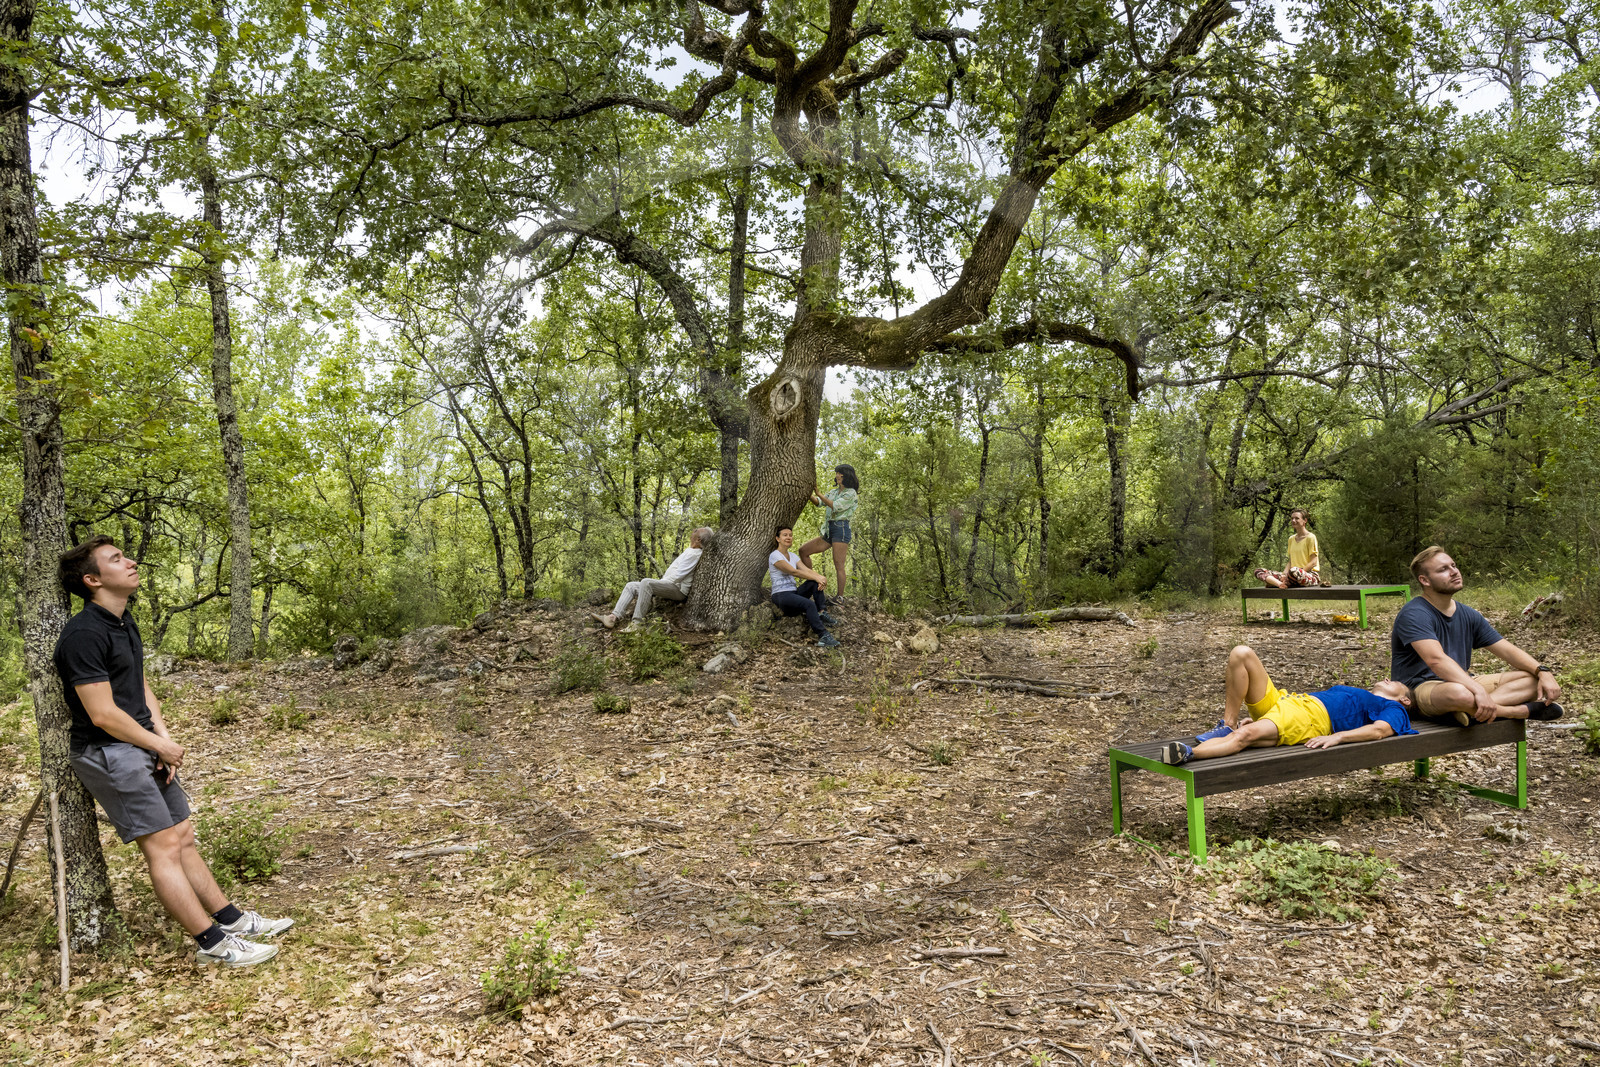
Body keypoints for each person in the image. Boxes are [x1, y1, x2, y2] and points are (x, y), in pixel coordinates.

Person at [53, 536, 293, 967]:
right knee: (163, 846)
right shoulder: (83, 634)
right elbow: (103, 712)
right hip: (109, 752)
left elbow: (138, 686)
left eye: (124, 555)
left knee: (182, 836)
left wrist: (161, 739)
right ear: (92, 580)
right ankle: (213, 945)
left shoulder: (123, 621)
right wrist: (155, 743)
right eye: (116, 559)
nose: (130, 562)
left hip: (142, 744)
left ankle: (232, 920)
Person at [1390, 546, 1563, 727]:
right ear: (1424, 580)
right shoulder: (1415, 613)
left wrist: (1542, 671)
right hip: (1419, 690)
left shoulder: (1467, 614)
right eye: (1443, 569)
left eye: (1453, 565)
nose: (1454, 572)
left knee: (1533, 681)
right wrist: (1477, 690)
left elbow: (1506, 649)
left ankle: (1469, 711)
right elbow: (1436, 660)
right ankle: (1514, 711)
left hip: (1463, 681)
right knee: (1459, 693)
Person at [1160, 644, 1417, 764]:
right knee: (1241, 653)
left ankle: (1189, 754)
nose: (1386, 678)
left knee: (1246, 734)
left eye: (1393, 682)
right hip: (1289, 702)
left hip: (1311, 718)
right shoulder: (1364, 694)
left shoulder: (1393, 709)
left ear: (1404, 699)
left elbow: (1379, 731)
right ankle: (1227, 724)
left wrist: (1339, 737)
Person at [598, 527, 714, 632]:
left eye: (696, 530)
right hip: (670, 584)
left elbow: (678, 577)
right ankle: (613, 617)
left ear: (698, 539)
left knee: (646, 583)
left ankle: (637, 624)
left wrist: (659, 585)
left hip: (677, 589)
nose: (693, 530)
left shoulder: (695, 554)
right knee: (631, 586)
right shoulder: (690, 550)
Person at [770, 525, 841, 649]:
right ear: (778, 539)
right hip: (781, 596)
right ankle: (823, 636)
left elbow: (806, 570)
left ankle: (822, 612)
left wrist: (820, 577)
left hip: (793, 593)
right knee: (809, 604)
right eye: (785, 535)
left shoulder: (793, 556)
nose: (788, 537)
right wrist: (816, 577)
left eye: (790, 535)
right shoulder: (775, 556)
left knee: (813, 583)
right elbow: (793, 572)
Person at [797, 464, 859, 601]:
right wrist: (808, 492)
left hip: (841, 528)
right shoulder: (834, 492)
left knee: (839, 564)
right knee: (803, 551)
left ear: (845, 475)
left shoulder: (851, 493)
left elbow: (835, 506)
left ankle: (840, 597)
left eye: (839, 473)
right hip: (829, 529)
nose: (837, 476)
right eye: (837, 473)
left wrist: (819, 493)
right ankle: (813, 581)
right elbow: (819, 502)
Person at [1254, 508, 1326, 588]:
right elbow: (1291, 562)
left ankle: (1276, 582)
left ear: (1304, 520)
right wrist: (1284, 575)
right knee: (1259, 571)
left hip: (1308, 575)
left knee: (1294, 570)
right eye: (1292, 518)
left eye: (1297, 518)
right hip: (1291, 575)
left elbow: (1313, 562)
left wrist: (1294, 573)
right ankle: (1280, 584)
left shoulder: (1310, 537)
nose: (1293, 520)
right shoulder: (1291, 539)